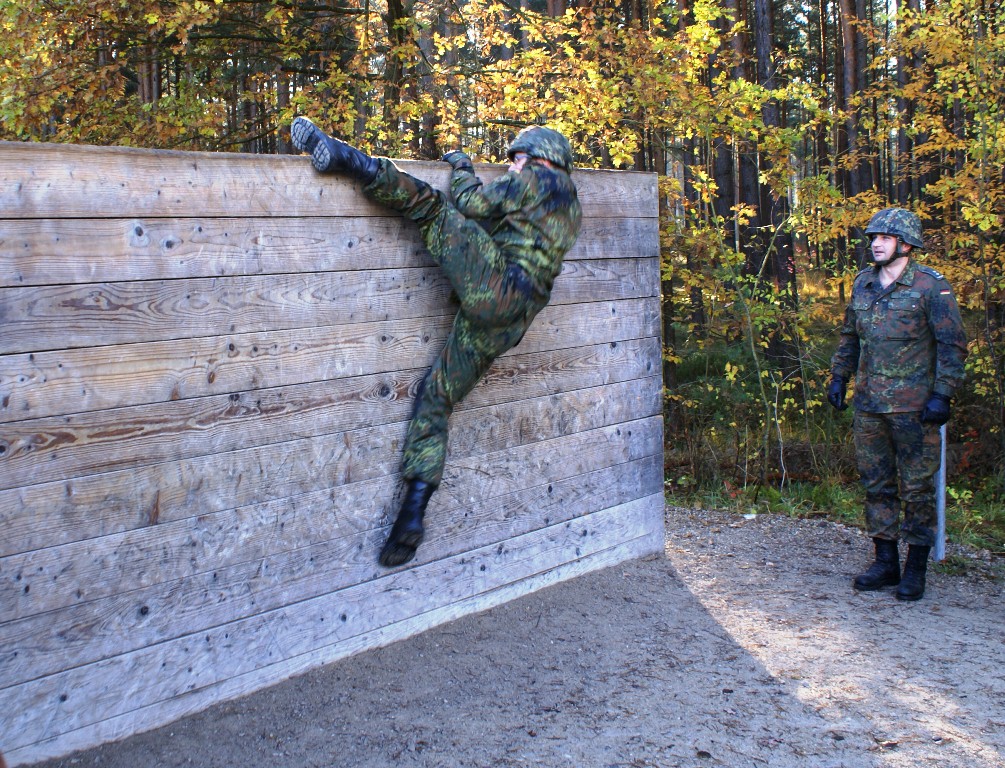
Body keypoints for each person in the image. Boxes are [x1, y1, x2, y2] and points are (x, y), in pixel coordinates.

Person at [290, 117, 582, 567]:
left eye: (517, 159)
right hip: (513, 318)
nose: (511, 166)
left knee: (430, 206)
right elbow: (511, 231)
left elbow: (469, 203)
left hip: (497, 287)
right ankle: (411, 513)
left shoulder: (535, 179)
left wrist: (462, 166)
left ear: (540, 157)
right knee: (437, 396)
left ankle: (347, 159)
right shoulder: (571, 204)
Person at [828, 207, 967, 601]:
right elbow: (850, 336)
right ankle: (885, 561)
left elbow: (952, 345)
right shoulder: (863, 283)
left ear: (906, 244)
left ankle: (915, 569)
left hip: (915, 408)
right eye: (874, 237)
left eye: (885, 238)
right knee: (876, 484)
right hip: (869, 405)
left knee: (918, 489)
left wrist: (942, 394)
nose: (876, 244)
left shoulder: (930, 287)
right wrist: (839, 377)